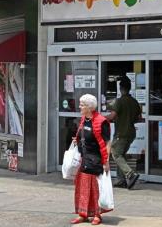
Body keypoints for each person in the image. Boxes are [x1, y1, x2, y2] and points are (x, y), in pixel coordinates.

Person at [71, 94, 111, 225]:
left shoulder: (102, 121)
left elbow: (107, 143)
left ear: (89, 107)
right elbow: (82, 135)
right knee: (82, 187)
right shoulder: (84, 119)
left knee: (95, 188)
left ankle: (97, 215)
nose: (79, 107)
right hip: (84, 158)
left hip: (96, 159)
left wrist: (106, 162)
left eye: (82, 105)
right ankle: (83, 214)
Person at [106, 75, 142, 190]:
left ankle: (130, 174)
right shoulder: (135, 102)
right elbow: (139, 118)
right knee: (121, 155)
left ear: (120, 88)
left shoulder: (120, 101)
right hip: (131, 133)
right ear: (130, 88)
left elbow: (112, 116)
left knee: (115, 154)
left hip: (121, 133)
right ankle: (121, 180)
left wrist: (102, 118)